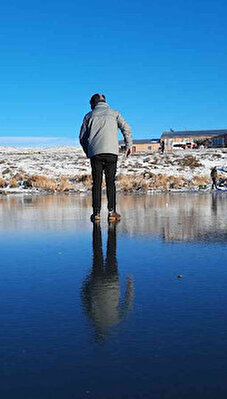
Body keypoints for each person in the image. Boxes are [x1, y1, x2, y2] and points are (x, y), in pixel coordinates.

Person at [79, 93, 132, 222]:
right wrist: (128, 145)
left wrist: (89, 151)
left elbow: (82, 138)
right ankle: (112, 212)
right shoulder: (114, 113)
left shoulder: (89, 116)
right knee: (110, 182)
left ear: (93, 103)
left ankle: (96, 214)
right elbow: (126, 128)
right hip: (112, 153)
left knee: (96, 183)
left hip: (95, 154)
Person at [81, 222, 133, 341]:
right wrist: (129, 284)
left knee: (100, 255)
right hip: (109, 281)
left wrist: (86, 283)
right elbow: (127, 305)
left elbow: (84, 298)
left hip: (103, 281)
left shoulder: (93, 317)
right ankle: (108, 235)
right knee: (109, 254)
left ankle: (99, 235)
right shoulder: (97, 318)